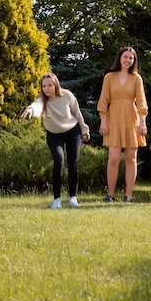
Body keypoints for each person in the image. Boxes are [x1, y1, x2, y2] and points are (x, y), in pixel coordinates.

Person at [21, 73, 91, 209]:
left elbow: (77, 113)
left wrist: (85, 130)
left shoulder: (67, 96)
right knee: (59, 161)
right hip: (54, 134)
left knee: (73, 164)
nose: (47, 88)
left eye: (50, 85)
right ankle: (57, 199)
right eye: (44, 86)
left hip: (73, 132)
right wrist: (30, 110)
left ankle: (73, 198)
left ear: (55, 85)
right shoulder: (43, 100)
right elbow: (36, 106)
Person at [97, 47, 148, 203]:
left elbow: (141, 101)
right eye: (125, 57)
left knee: (131, 158)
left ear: (134, 61)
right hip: (113, 119)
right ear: (120, 58)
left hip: (132, 119)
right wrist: (103, 121)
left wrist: (142, 122)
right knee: (113, 158)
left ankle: (128, 195)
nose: (128, 60)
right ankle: (110, 194)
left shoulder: (136, 78)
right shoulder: (109, 77)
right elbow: (104, 100)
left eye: (131, 58)